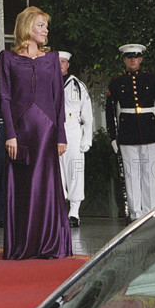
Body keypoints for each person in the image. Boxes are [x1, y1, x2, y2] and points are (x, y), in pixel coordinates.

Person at [0, 6, 71, 260]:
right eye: (40, 25)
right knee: (22, 185)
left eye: (46, 26)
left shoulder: (52, 59)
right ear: (27, 27)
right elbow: (4, 97)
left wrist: (61, 134)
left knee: (47, 184)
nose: (45, 30)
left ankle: (50, 244)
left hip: (47, 129)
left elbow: (58, 98)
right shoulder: (7, 58)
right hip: (19, 131)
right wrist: (10, 133)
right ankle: (24, 245)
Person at [105, 44, 155, 221]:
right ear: (124, 60)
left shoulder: (152, 79)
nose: (133, 60)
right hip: (127, 130)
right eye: (129, 57)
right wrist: (113, 136)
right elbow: (110, 110)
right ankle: (135, 213)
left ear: (141, 59)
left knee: (149, 172)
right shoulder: (116, 81)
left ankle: (150, 210)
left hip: (149, 128)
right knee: (131, 173)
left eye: (136, 57)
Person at [57, 51, 93, 228]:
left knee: (75, 171)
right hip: (55, 130)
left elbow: (88, 115)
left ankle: (74, 212)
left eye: (63, 62)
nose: (60, 65)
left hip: (72, 129)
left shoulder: (78, 85)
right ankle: (59, 209)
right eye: (58, 62)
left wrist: (87, 139)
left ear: (68, 64)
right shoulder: (48, 83)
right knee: (57, 171)